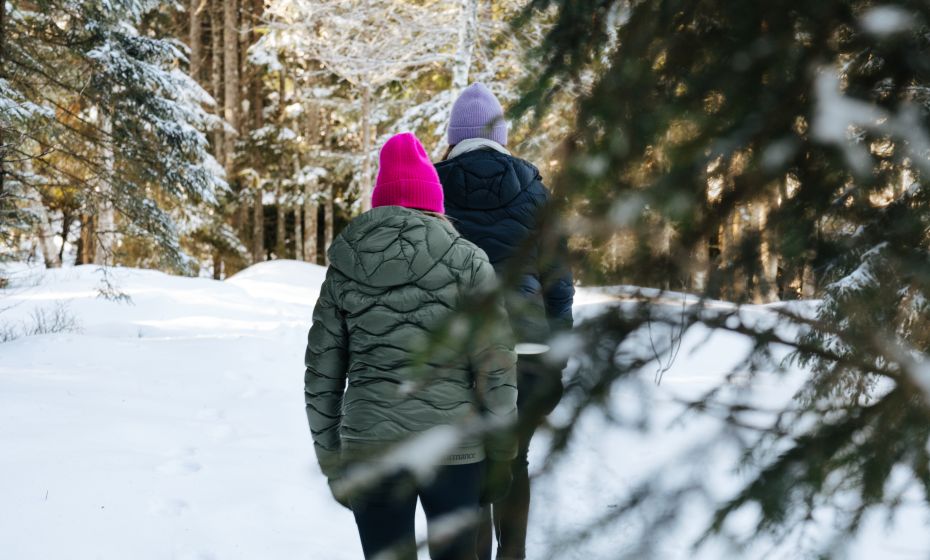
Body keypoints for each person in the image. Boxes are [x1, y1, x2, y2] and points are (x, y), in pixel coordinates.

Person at [304, 132, 519, 560]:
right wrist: (500, 455)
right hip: (454, 449)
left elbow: (322, 375)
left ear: (380, 200)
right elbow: (495, 363)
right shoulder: (469, 260)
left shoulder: (345, 265)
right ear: (434, 200)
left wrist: (333, 463)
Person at [435, 83, 575, 560]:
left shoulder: (432, 187)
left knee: (466, 465)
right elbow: (559, 285)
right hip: (527, 349)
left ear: (454, 136)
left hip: (458, 351)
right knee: (515, 458)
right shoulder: (535, 191)